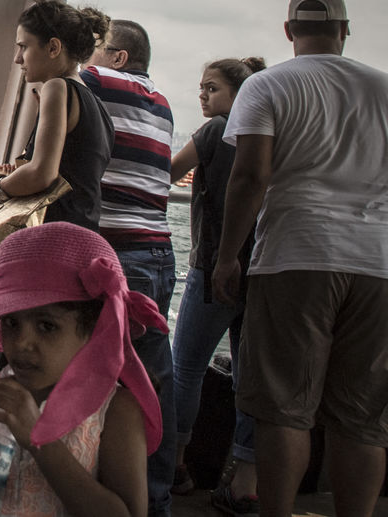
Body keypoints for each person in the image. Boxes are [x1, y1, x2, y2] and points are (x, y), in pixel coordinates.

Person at [212, 0, 388, 517]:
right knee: (362, 418)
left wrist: (227, 256)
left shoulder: (267, 85)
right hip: (378, 266)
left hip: (296, 256)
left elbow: (250, 176)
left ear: (289, 31)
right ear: (345, 30)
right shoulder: (383, 87)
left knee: (284, 409)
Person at [0, 222, 166, 517]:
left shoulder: (115, 410)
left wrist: (39, 441)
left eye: (46, 326)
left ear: (94, 330)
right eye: (11, 322)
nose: (22, 342)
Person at [81, 19, 177, 517]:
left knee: (97, 375)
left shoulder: (98, 81)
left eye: (95, 48)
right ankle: (156, 499)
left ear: (118, 57)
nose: (87, 57)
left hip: (119, 252)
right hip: (159, 252)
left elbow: (58, 86)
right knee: (153, 381)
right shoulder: (162, 103)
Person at [167, 56, 265, 509]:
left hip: (213, 266)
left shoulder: (217, 130)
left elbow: (167, 172)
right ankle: (245, 482)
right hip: (260, 268)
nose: (203, 96)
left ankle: (174, 465)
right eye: (202, 88)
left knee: (186, 367)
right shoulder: (267, 134)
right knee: (249, 377)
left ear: (239, 94)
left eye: (212, 88)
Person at [0, 1, 114, 232]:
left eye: (24, 47)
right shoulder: (97, 106)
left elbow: (42, 174)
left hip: (53, 234)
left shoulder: (57, 87)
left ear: (53, 48)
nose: (18, 58)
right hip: (83, 232)